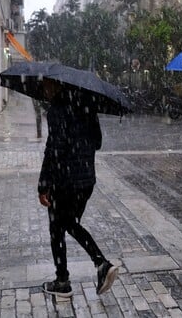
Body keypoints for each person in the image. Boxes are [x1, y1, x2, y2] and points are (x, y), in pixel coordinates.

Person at [37, 79, 118, 297]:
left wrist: (43, 184)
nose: (44, 90)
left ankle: (86, 270)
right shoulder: (87, 106)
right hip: (86, 181)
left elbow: (54, 148)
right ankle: (74, 274)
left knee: (60, 227)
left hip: (65, 182)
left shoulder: (56, 110)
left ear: (56, 86)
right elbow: (97, 142)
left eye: (46, 86)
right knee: (67, 225)